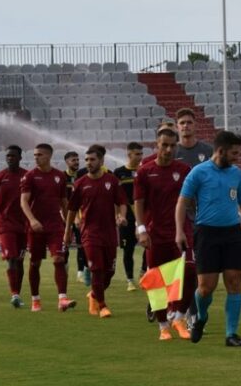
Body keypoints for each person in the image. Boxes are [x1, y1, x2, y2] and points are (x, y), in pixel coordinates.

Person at [177, 130, 241, 347]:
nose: (237, 157)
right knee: (206, 287)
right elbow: (182, 203)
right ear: (221, 151)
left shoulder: (236, 173)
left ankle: (231, 334)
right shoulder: (198, 172)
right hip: (206, 233)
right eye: (234, 153)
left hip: (233, 233)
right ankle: (201, 317)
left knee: (234, 281)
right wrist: (179, 231)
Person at [135, 128, 195, 340]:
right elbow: (139, 203)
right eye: (165, 145)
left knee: (191, 272)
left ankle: (178, 316)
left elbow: (193, 199)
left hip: (181, 230)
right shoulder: (145, 172)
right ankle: (163, 326)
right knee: (157, 281)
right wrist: (141, 229)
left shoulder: (185, 170)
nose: (168, 149)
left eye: (172, 145)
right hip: (155, 232)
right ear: (157, 145)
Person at [65, 144, 127, 319]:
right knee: (97, 270)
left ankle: (93, 294)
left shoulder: (112, 181)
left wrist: (121, 216)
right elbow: (71, 210)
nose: (88, 163)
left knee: (109, 272)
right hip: (89, 233)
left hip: (109, 233)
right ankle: (103, 305)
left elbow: (122, 201)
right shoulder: (80, 183)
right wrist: (67, 231)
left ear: (101, 161)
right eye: (87, 160)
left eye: (92, 159)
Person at [20, 143, 76, 313]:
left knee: (59, 259)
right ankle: (35, 299)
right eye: (35, 154)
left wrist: (68, 225)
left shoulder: (59, 176)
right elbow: (23, 201)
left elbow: (64, 203)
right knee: (35, 263)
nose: (36, 157)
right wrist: (32, 220)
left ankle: (62, 299)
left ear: (49, 156)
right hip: (36, 227)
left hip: (55, 227)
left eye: (40, 155)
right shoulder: (30, 176)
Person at [0, 145, 28, 308]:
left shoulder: (27, 176)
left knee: (20, 260)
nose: (10, 158)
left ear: (20, 157)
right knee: (11, 257)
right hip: (5, 224)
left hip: (23, 225)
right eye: (8, 156)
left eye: (13, 156)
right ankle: (14, 294)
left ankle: (17, 293)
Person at [114, 142, 146, 291]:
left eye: (141, 154)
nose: (140, 157)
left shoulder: (145, 171)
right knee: (128, 249)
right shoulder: (119, 172)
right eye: (137, 154)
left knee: (149, 246)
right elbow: (116, 198)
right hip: (127, 217)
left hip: (144, 215)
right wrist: (118, 216)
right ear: (129, 154)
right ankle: (129, 280)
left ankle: (144, 272)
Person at [63, 150, 90, 287]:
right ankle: (64, 271)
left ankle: (82, 273)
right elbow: (59, 199)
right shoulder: (62, 177)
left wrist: (78, 216)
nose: (77, 162)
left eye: (77, 159)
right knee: (65, 246)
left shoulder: (83, 176)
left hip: (79, 216)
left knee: (82, 245)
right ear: (67, 162)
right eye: (73, 160)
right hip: (64, 216)